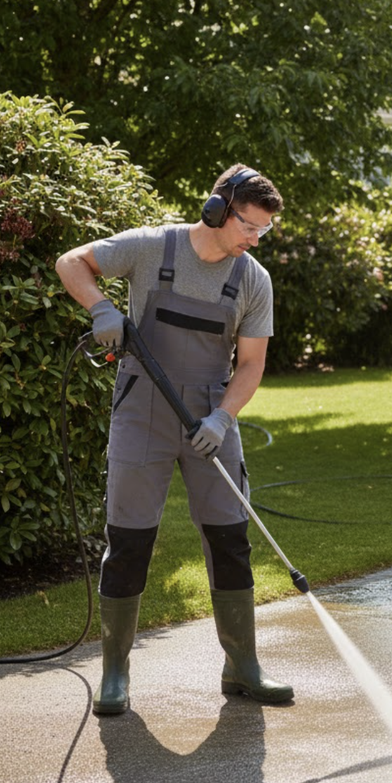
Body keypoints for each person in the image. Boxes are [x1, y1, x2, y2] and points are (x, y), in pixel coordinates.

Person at [56, 164, 292, 715]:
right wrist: (101, 306)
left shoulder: (253, 278)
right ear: (217, 209)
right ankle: (116, 672)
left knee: (230, 538)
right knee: (130, 539)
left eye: (264, 231)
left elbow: (252, 363)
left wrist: (223, 419)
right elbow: (72, 262)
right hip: (142, 411)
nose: (254, 240)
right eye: (249, 226)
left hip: (211, 416)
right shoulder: (150, 248)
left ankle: (242, 666)